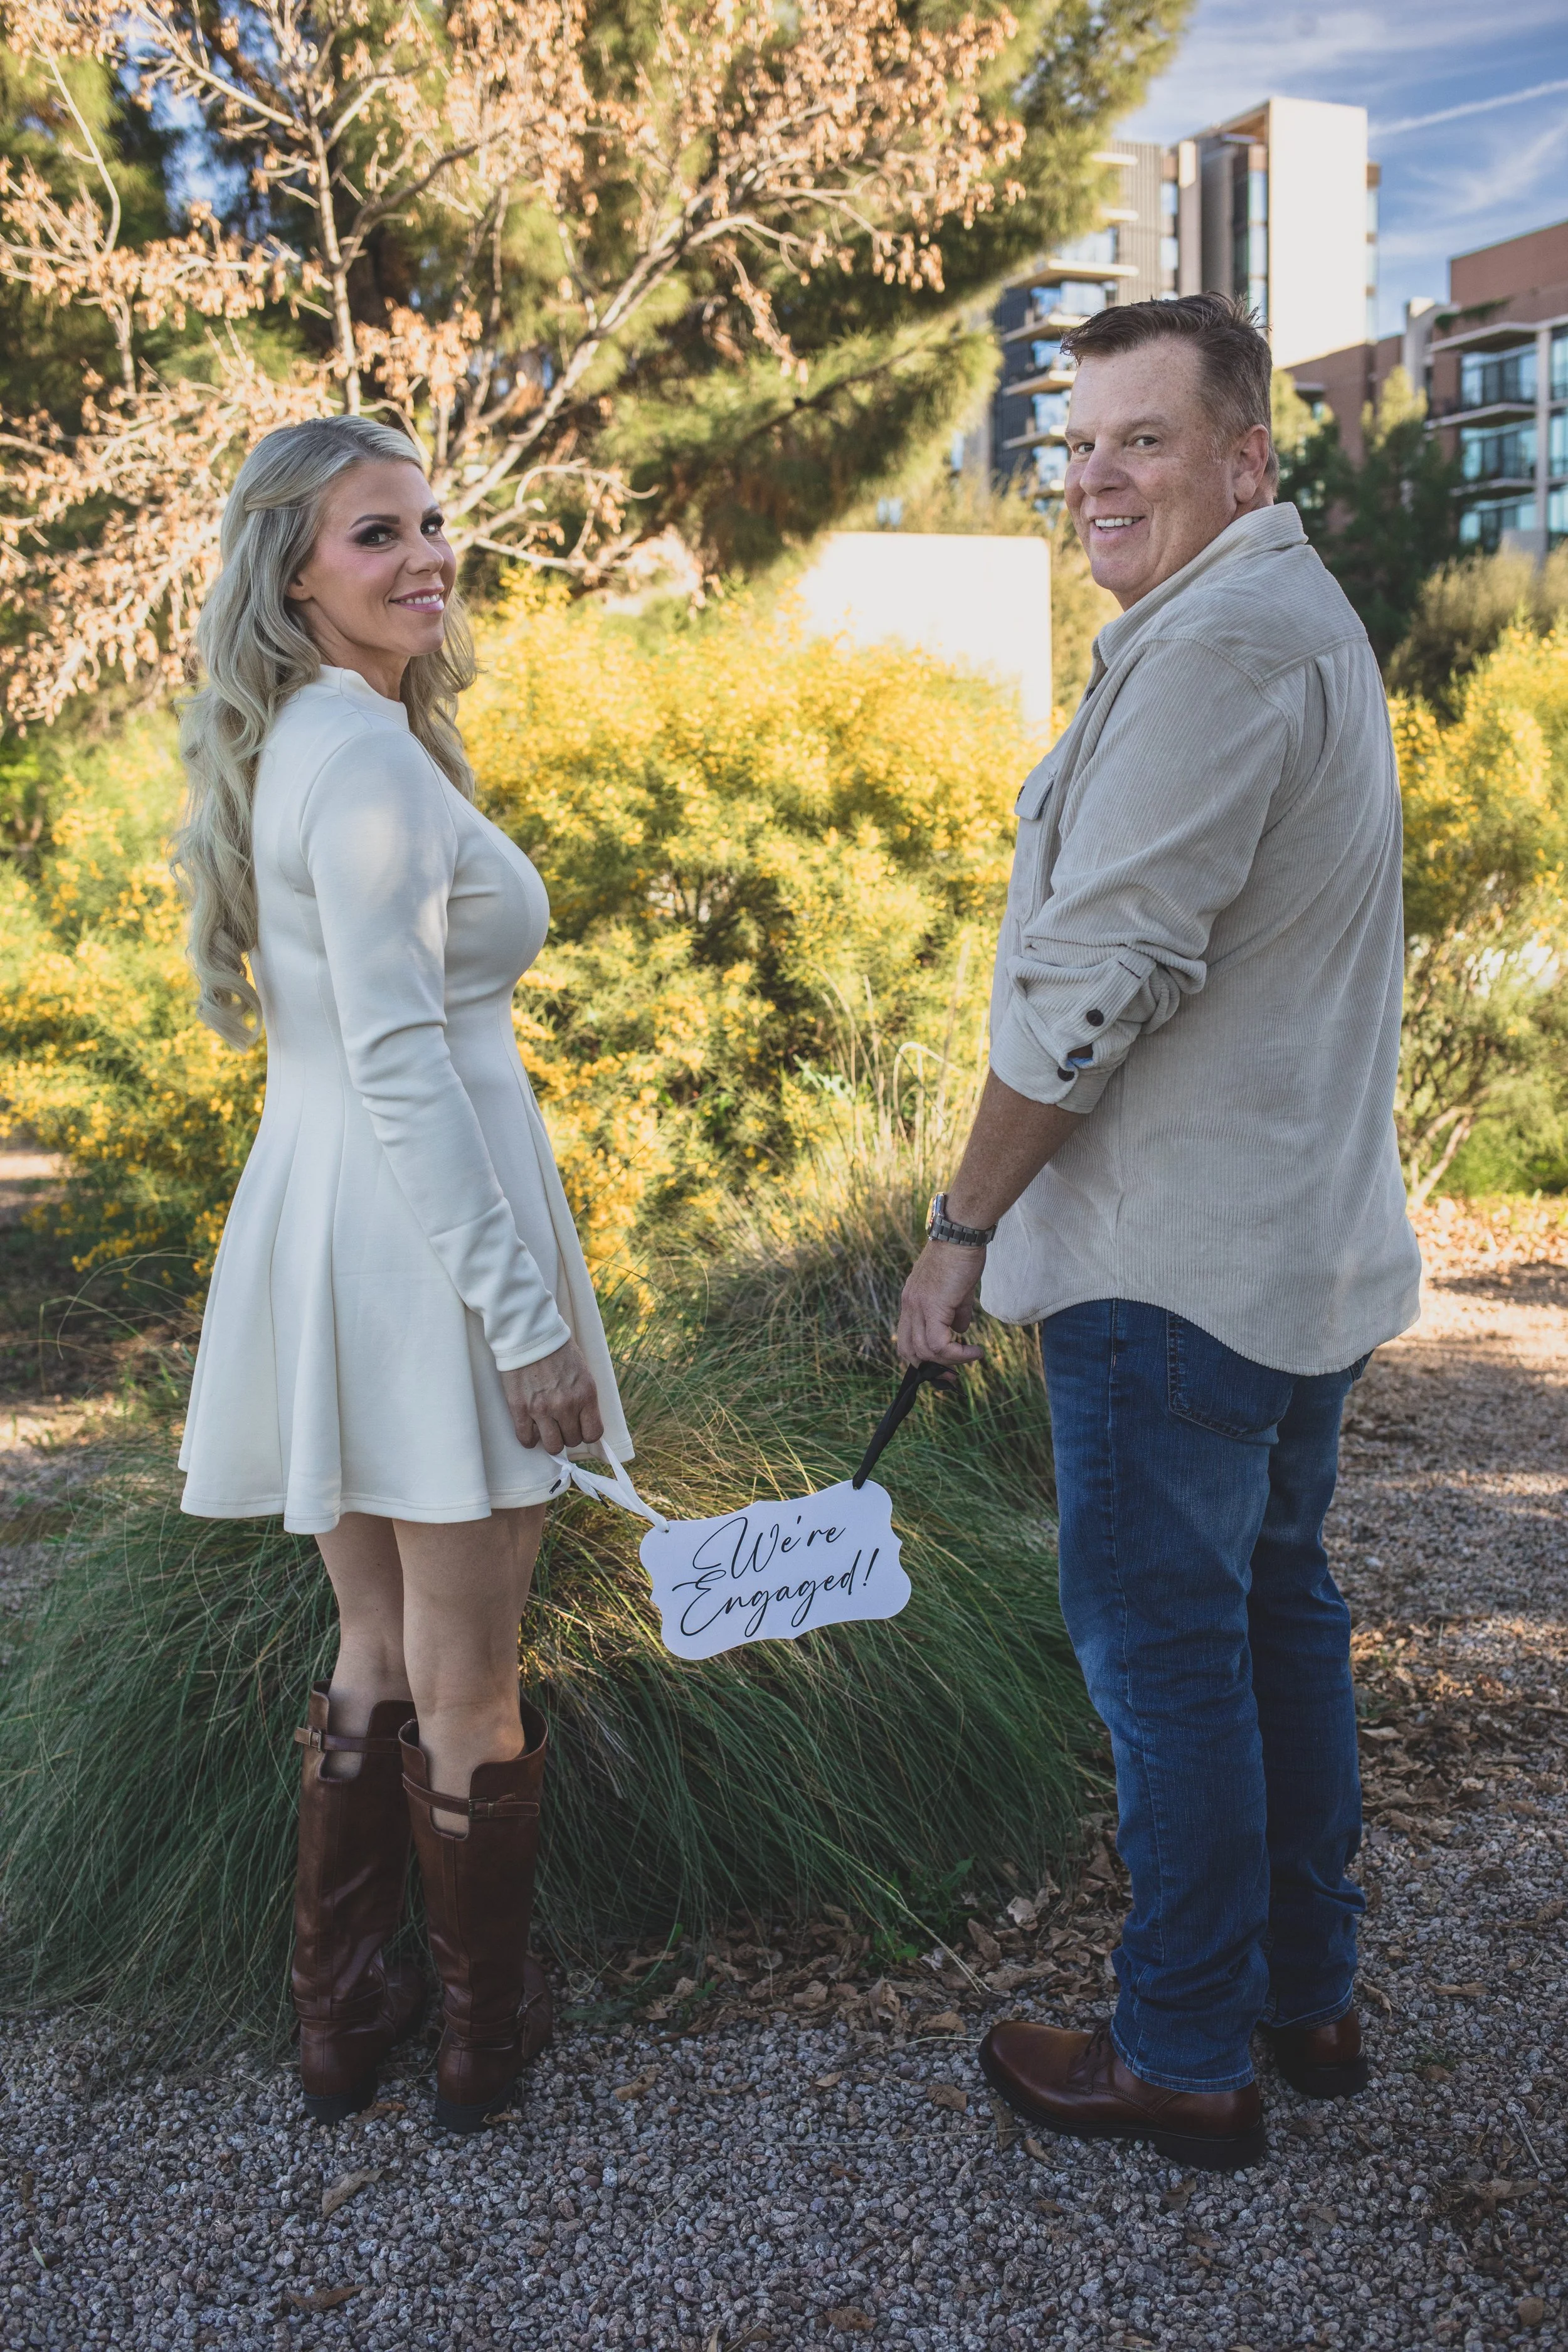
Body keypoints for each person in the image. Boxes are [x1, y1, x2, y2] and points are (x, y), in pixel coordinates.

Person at [897, 293, 1421, 2172]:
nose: (1096, 474)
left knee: (1169, 1656)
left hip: (1169, 1268)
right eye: (1080, 441)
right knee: (1273, 1617)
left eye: (1141, 437)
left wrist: (959, 1226)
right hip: (1278, 1252)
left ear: (1242, 459)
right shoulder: (1263, 620)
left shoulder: (1216, 657)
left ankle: (1183, 2048)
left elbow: (1091, 991)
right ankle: (1301, 1989)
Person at [175, 414, 632, 2134]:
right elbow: (394, 1056)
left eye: (434, 522)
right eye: (379, 533)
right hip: (423, 1239)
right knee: (466, 1671)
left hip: (335, 1228)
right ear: (294, 570)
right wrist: (523, 1321)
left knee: (374, 1636)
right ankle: (476, 2036)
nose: (426, 554)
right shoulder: (360, 758)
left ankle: (340, 2011)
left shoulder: (318, 736)